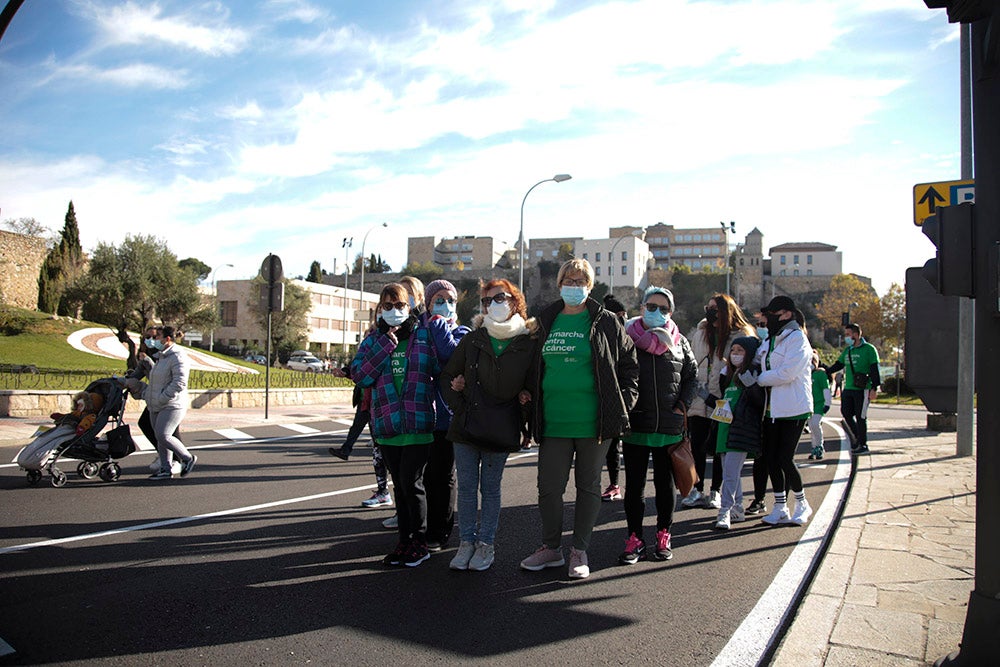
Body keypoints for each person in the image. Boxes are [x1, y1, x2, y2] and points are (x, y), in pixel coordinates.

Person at [520, 259, 639, 579]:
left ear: (591, 285)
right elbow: (530, 366)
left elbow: (629, 366)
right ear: (559, 284)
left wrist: (623, 404)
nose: (575, 285)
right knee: (548, 488)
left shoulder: (607, 322)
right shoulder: (545, 321)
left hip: (595, 423)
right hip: (553, 420)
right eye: (569, 280)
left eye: (581, 280)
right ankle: (550, 548)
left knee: (588, 488)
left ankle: (579, 551)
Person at [440, 279, 537, 571]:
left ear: (514, 302)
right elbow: (448, 377)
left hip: (502, 427)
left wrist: (526, 414)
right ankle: (466, 543)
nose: (492, 304)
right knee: (468, 488)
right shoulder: (473, 338)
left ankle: (486, 545)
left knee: (490, 489)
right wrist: (460, 407)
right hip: (466, 427)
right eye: (486, 301)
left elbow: (534, 388)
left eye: (499, 298)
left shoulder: (528, 343)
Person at [351, 283, 439, 567]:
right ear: (380, 309)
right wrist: (385, 345)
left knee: (411, 484)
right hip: (387, 427)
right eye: (387, 306)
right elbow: (361, 376)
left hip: (417, 424)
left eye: (399, 305)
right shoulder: (372, 340)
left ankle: (419, 543)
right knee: (399, 488)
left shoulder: (424, 337)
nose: (394, 311)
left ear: (409, 306)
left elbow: (440, 370)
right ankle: (404, 541)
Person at [616, 287, 696, 565]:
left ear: (670, 313)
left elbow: (691, 377)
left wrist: (681, 406)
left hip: (668, 428)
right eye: (652, 306)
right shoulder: (625, 338)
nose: (657, 312)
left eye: (663, 308)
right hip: (636, 424)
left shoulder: (681, 342)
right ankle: (634, 539)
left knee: (665, 485)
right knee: (634, 488)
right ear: (641, 308)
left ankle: (664, 534)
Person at [683, 293, 755, 510]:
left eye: (715, 307)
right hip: (699, 396)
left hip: (724, 397)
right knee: (697, 445)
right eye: (709, 306)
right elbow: (693, 360)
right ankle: (696, 489)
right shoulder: (701, 331)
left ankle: (715, 491)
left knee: (718, 447)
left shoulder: (741, 334)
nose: (710, 310)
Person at [752, 296, 813, 526]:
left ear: (786, 314)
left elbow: (787, 373)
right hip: (771, 410)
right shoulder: (771, 340)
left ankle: (802, 502)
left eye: (772, 314)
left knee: (785, 458)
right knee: (771, 459)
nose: (768, 320)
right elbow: (759, 359)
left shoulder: (797, 339)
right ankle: (780, 506)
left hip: (793, 408)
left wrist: (759, 379)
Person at [421, 279, 469, 551]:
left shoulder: (460, 331)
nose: (446, 304)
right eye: (438, 299)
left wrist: (437, 321)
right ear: (427, 303)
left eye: (450, 300)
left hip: (447, 417)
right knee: (427, 477)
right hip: (421, 416)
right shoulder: (419, 330)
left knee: (443, 476)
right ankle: (424, 524)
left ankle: (440, 531)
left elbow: (451, 355)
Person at [125, 326, 197, 480]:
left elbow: (179, 382)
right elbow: (153, 380)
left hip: (171, 403)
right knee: (160, 437)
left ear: (167, 339)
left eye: (157, 336)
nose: (154, 340)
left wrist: (163, 397)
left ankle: (187, 458)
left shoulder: (177, 356)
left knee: (163, 434)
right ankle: (166, 468)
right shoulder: (161, 357)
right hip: (156, 403)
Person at [712, 336, 765, 530]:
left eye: (740, 351)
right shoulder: (729, 375)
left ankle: (724, 510)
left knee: (731, 473)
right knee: (729, 472)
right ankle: (737, 508)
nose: (735, 354)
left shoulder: (752, 373)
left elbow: (759, 402)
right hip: (725, 430)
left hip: (741, 431)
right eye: (733, 350)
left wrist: (752, 385)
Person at [826, 323, 880, 454]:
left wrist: (875, 387)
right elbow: (838, 364)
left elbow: (874, 369)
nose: (846, 337)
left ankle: (863, 444)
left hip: (863, 389)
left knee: (861, 417)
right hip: (849, 388)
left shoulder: (869, 349)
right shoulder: (848, 350)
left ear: (856, 334)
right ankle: (858, 437)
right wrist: (825, 371)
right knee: (846, 413)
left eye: (848, 334)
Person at [601, 293, 628, 502]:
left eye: (624, 314)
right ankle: (613, 484)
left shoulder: (627, 336)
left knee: (616, 444)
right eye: (619, 314)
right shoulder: (600, 333)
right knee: (609, 445)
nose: (623, 318)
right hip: (605, 396)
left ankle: (615, 484)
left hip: (624, 398)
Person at [746, 313, 769, 516]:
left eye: (764, 324)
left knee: (780, 459)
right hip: (757, 406)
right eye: (758, 324)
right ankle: (759, 498)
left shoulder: (783, 343)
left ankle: (782, 502)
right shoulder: (757, 345)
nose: (760, 327)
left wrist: (760, 379)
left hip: (778, 408)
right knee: (760, 458)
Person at [808, 350, 832, 460]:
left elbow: (825, 389)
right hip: (809, 405)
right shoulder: (806, 374)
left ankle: (819, 446)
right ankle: (814, 446)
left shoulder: (821, 374)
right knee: (812, 427)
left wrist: (827, 403)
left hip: (819, 404)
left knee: (815, 424)